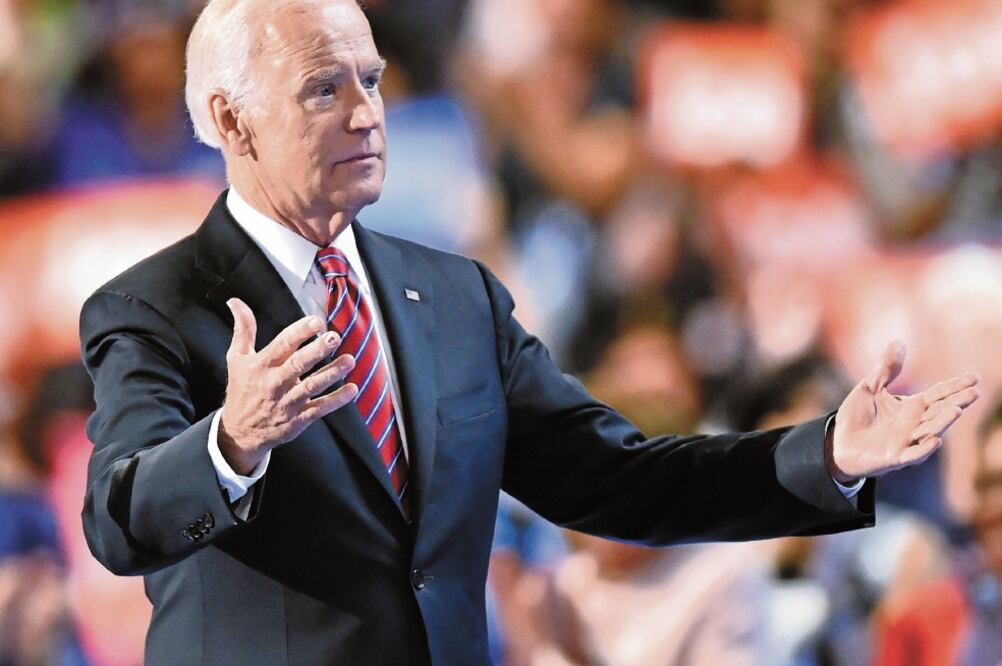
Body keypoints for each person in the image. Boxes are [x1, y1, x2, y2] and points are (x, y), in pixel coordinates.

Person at [77, 1, 981, 664]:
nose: (365, 112)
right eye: (323, 87)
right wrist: (232, 442)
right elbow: (121, 523)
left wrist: (826, 455)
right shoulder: (154, 308)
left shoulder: (456, 296)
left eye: (373, 79)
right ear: (231, 119)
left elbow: (620, 480)